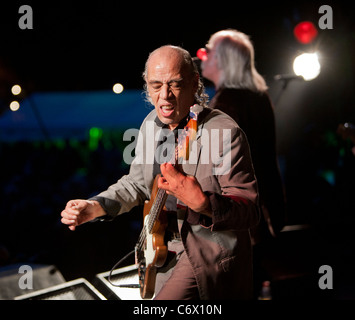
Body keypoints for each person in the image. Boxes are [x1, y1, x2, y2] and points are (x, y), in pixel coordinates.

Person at [61, 45, 260, 300]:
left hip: (204, 251)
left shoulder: (222, 132)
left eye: (175, 84)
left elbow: (249, 210)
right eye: (156, 85)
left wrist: (204, 204)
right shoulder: (150, 125)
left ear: (194, 83)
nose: (164, 95)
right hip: (161, 250)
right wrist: (95, 206)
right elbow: (136, 183)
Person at [199, 29, 287, 296]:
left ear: (223, 60)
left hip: (239, 222)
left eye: (209, 49)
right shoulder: (258, 97)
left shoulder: (226, 105)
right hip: (263, 213)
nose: (202, 54)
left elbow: (215, 170)